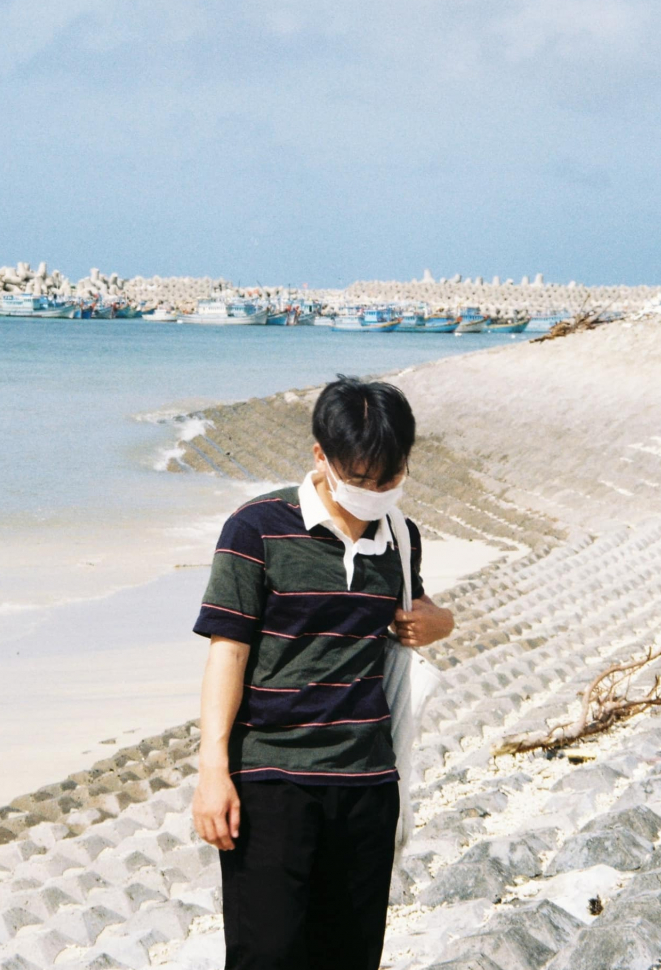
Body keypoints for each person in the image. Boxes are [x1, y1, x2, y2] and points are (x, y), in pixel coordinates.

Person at [191, 375, 455, 970]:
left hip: (367, 780)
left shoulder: (401, 539)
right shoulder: (256, 528)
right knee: (268, 955)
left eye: (389, 478)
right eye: (361, 479)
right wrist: (213, 771)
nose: (375, 491)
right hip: (271, 781)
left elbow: (412, 615)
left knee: (351, 957)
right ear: (321, 457)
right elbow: (226, 653)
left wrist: (444, 621)